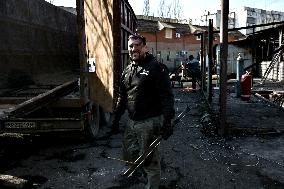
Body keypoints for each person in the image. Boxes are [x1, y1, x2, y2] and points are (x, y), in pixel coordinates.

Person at [111, 34, 175, 189]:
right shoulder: (128, 70)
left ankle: (152, 185)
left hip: (150, 122)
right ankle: (140, 174)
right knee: (129, 154)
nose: (134, 49)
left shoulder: (156, 68)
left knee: (150, 161)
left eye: (137, 45)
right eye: (131, 46)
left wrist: (167, 122)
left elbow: (167, 97)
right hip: (132, 122)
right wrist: (116, 119)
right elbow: (122, 96)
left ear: (145, 47)